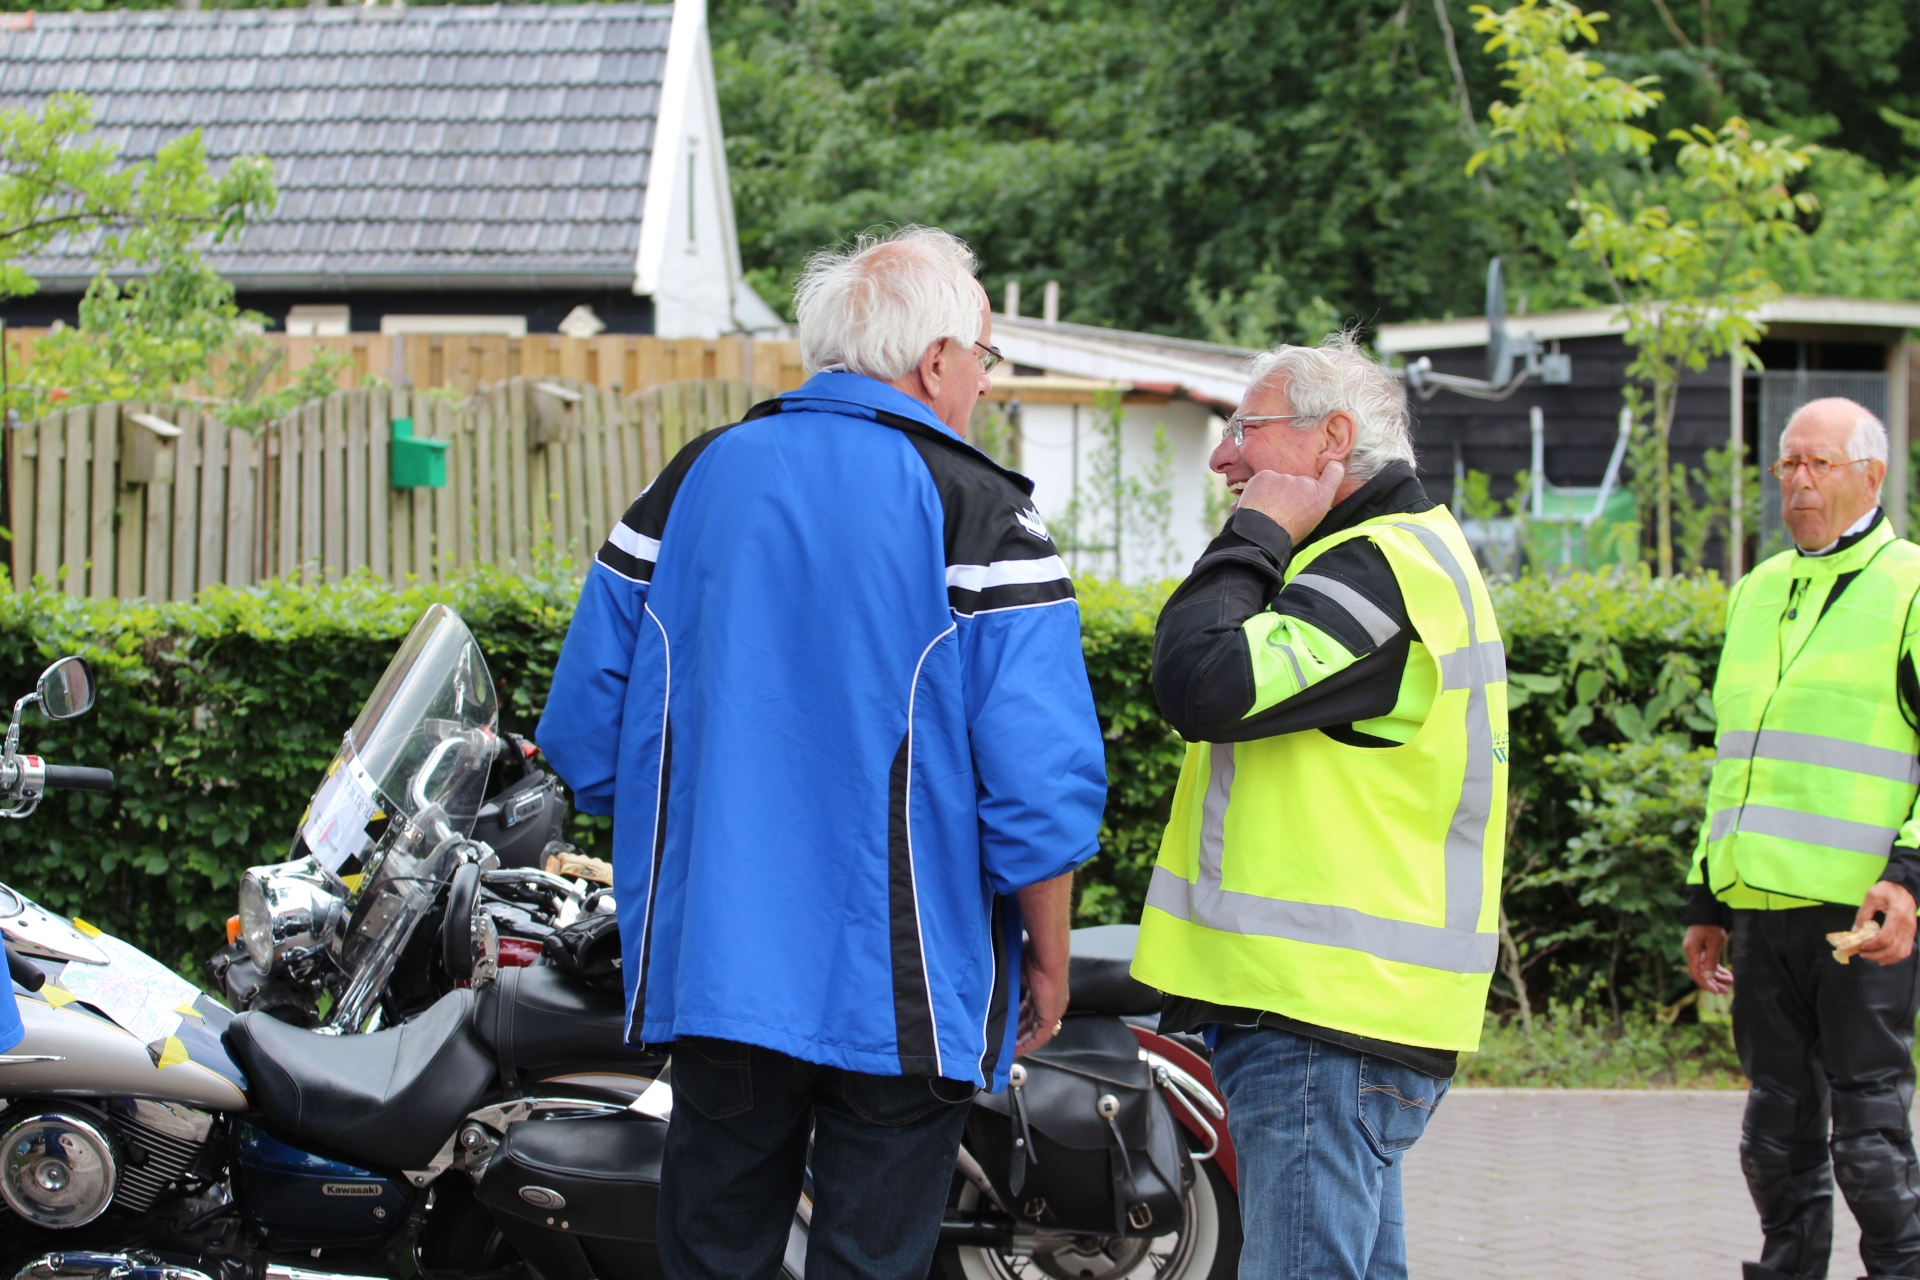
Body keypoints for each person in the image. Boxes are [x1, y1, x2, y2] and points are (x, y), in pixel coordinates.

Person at [536, 225, 1107, 1280]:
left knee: (712, 1255)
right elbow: (1037, 791)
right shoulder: (983, 513)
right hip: (907, 989)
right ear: (935, 360)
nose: (986, 381)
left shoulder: (688, 482)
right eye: (984, 356)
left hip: (715, 968)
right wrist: (1050, 959)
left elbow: (585, 739)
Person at [1130, 332, 1508, 1280]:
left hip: (1318, 1022)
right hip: (1347, 1016)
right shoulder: (1401, 554)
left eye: (1244, 430)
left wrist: (1252, 535)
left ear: (1333, 438)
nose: (1223, 458)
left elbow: (1201, 682)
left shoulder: (1372, 569)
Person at [1681, 397, 1920, 1280]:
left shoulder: (1910, 587)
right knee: (1774, 1131)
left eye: (1820, 463)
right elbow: (1736, 761)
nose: (1799, 483)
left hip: (1861, 915)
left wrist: (1910, 875)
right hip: (1758, 910)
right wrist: (1706, 897)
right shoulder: (1757, 590)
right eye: (1788, 464)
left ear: (1872, 475)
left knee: (1869, 1138)